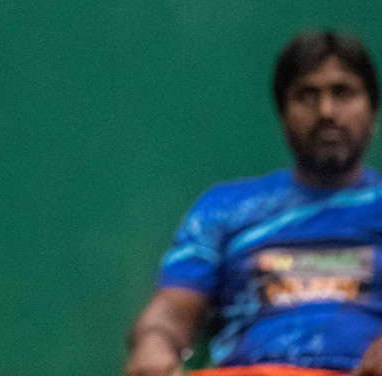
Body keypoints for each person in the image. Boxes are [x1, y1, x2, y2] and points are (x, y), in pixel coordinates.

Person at [125, 30, 382, 376]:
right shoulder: (225, 208)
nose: (326, 111)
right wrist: (154, 341)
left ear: (373, 109)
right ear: (282, 113)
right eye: (307, 95)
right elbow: (173, 306)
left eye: (343, 93)